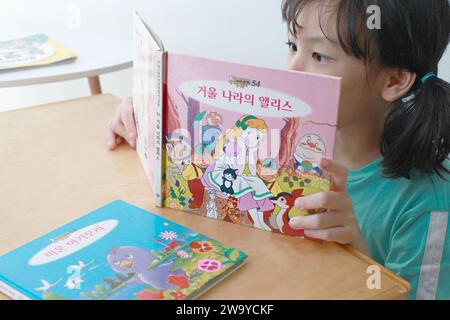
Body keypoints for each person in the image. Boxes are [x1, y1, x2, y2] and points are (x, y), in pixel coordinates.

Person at [107, 0, 450, 299]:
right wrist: (142, 110)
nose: (291, 69)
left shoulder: (428, 201)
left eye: (318, 55)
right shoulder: (292, 142)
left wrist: (355, 250)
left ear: (393, 81)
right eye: (292, 45)